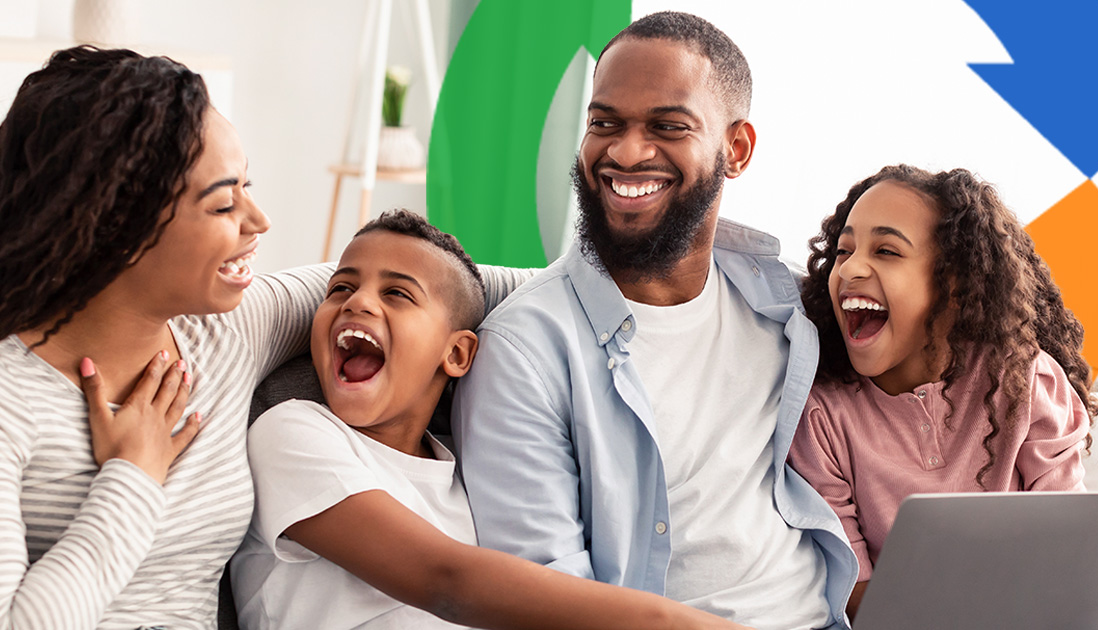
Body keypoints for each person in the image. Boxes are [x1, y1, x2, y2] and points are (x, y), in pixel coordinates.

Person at [452, 12, 857, 630]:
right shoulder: (524, 349)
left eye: (667, 126)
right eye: (603, 123)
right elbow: (544, 596)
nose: (625, 151)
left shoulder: (782, 303)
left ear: (736, 149)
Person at [231, 209, 746, 630]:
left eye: (397, 294)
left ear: (457, 354)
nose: (357, 302)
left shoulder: (467, 488)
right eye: (340, 289)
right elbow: (447, 583)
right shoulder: (293, 432)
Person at [0, 46, 336, 626]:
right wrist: (133, 476)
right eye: (225, 202)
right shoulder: (11, 400)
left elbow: (409, 283)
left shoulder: (230, 332)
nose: (259, 221)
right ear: (117, 228)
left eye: (247, 187)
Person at [788, 164, 1098, 629]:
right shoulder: (819, 413)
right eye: (843, 250)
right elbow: (856, 592)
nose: (850, 267)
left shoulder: (1024, 380)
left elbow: (1072, 542)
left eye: (887, 250)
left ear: (954, 285)